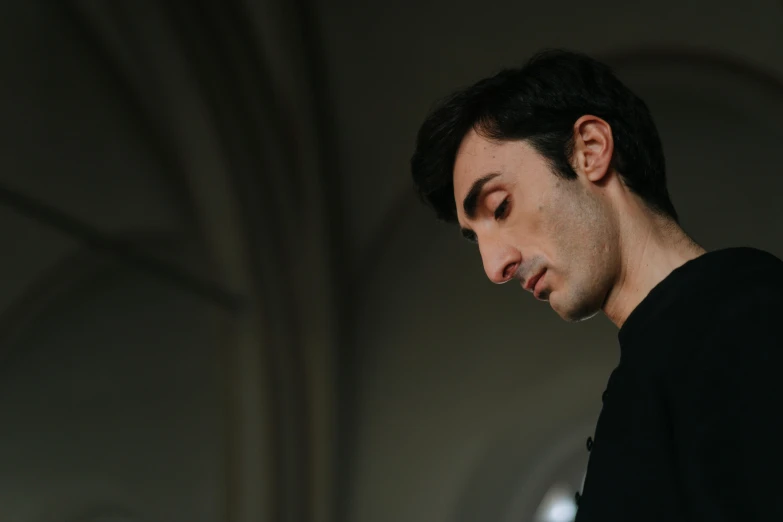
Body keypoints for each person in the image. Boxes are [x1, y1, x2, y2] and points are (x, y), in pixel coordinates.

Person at [410, 48, 783, 521]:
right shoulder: (656, 365)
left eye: (500, 206)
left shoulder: (746, 314)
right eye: (476, 239)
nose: (494, 266)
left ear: (590, 150)